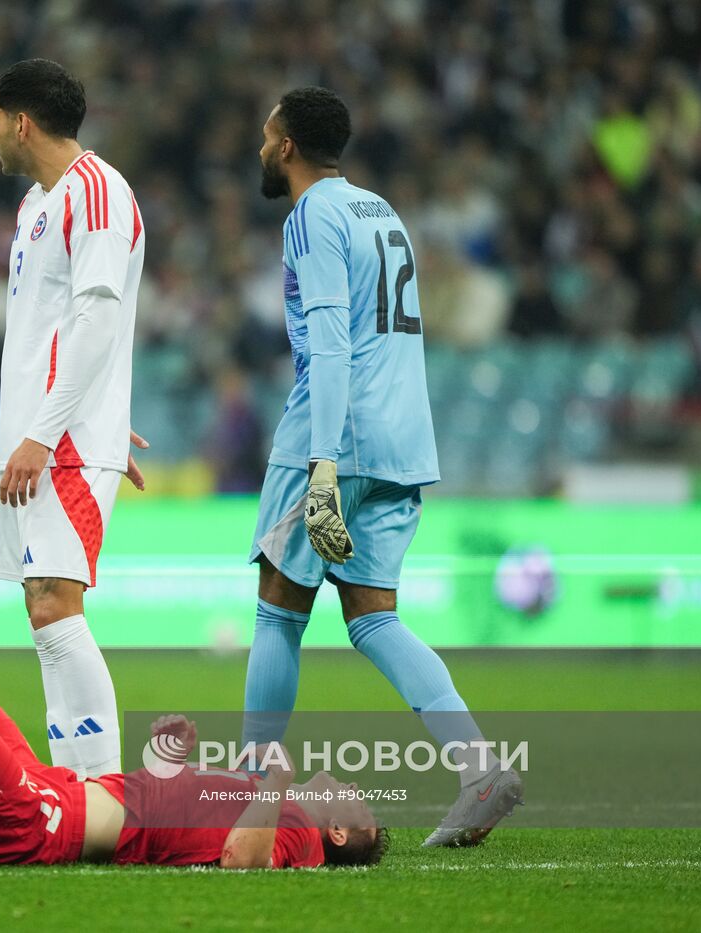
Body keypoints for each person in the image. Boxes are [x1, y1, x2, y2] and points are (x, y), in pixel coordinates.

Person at [243, 87, 523, 847]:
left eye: (269, 137)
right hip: (403, 433)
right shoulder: (379, 211)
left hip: (336, 432)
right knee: (372, 615)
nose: (262, 149)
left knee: (278, 602)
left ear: (290, 145)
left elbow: (330, 341)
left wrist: (323, 463)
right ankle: (480, 766)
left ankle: (245, 788)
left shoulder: (310, 217)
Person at [0, 658, 387, 869]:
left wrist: (273, 781)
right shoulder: (277, 806)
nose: (358, 787)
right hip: (58, 790)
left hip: (41, 823)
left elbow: (240, 862)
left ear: (336, 831)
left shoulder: (301, 831)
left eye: (360, 806)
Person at [0, 59, 147, 779]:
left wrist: (60, 428)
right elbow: (56, 329)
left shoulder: (98, 192)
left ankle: (105, 788)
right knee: (41, 604)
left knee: (56, 600)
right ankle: (76, 786)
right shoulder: (36, 206)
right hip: (49, 432)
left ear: (23, 122)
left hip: (59, 440)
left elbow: (98, 316)